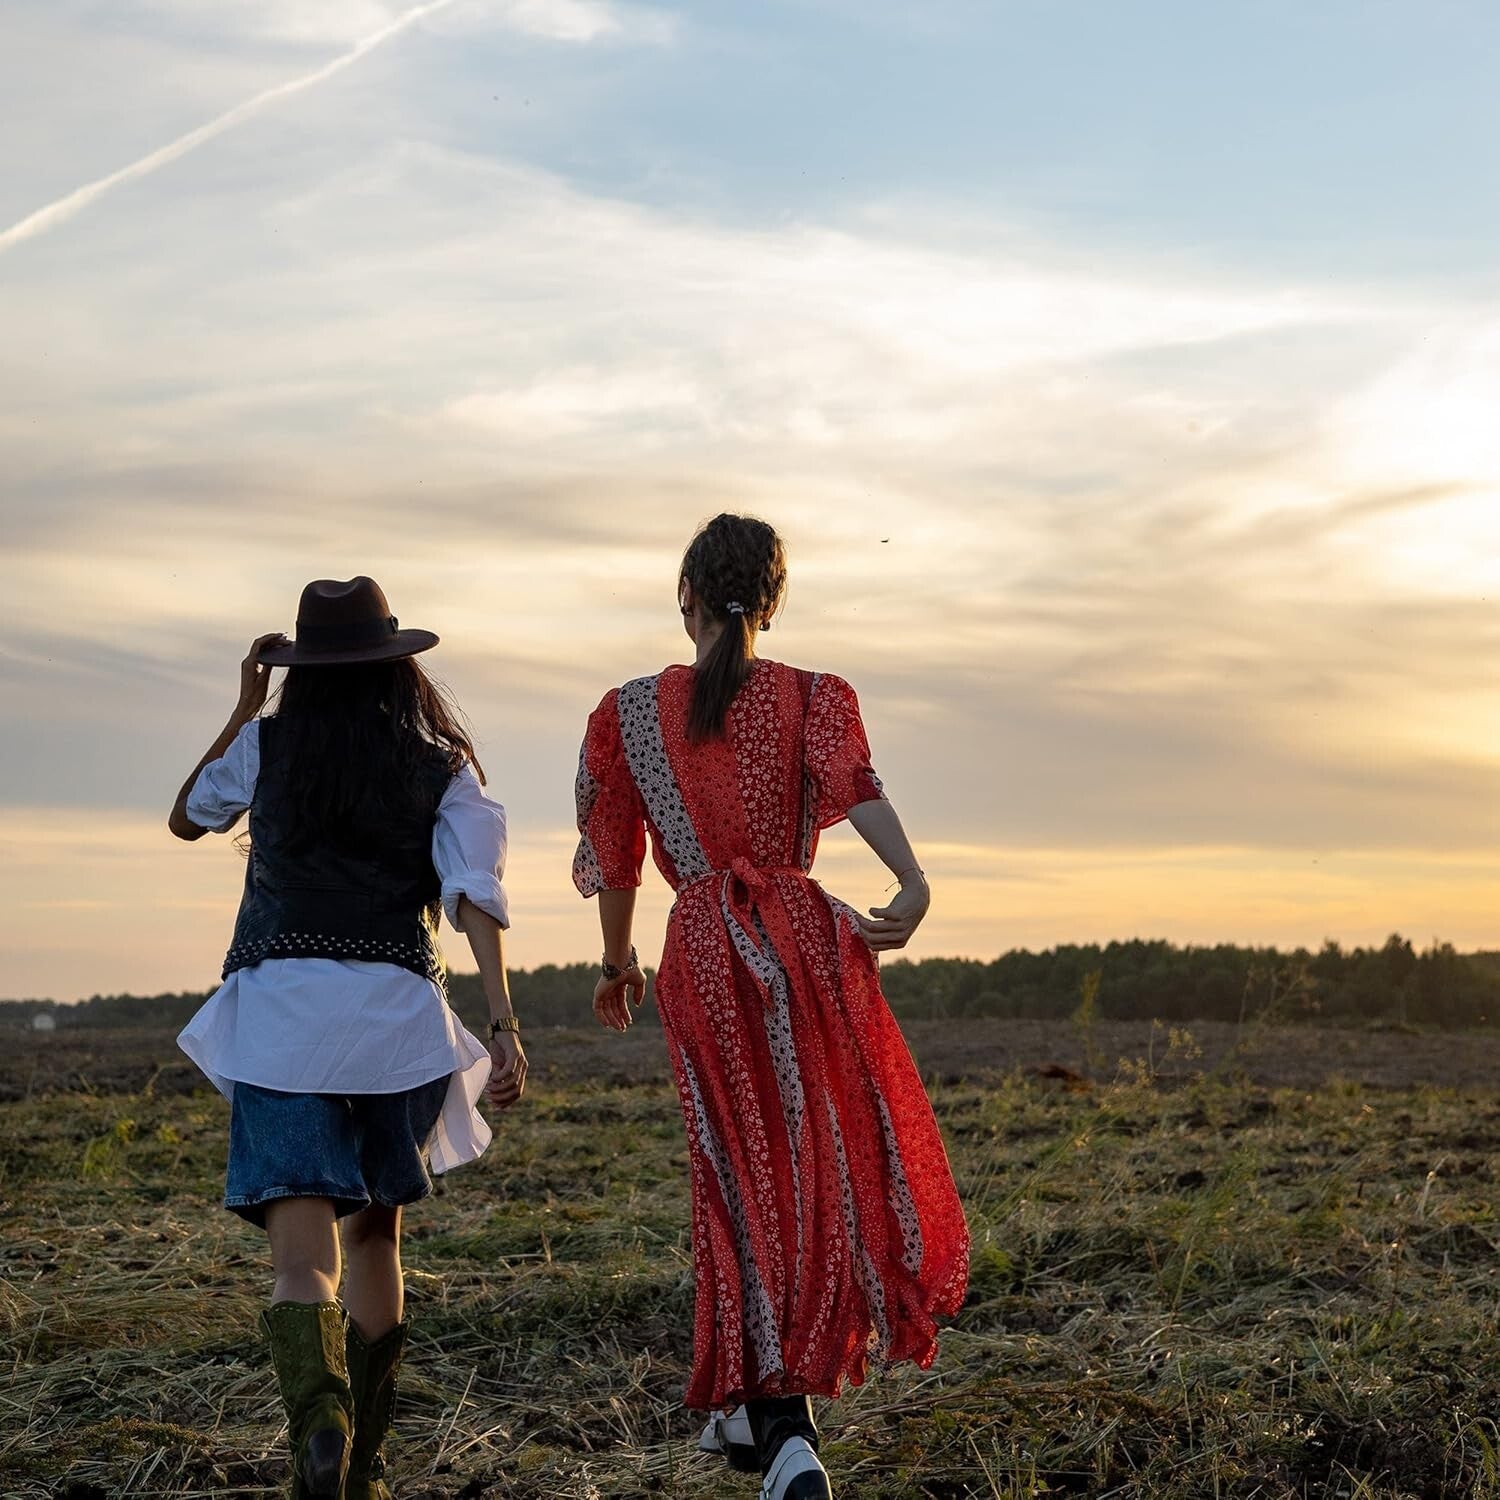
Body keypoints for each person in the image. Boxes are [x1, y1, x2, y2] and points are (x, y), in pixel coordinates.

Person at [573, 515, 969, 1500]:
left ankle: (782, 1427)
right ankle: (751, 1405)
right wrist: (912, 880)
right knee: (804, 1163)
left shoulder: (628, 714)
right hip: (802, 933)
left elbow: (616, 849)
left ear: (687, 600)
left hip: (704, 941)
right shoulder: (814, 697)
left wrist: (618, 960)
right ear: (774, 600)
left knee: (736, 1170)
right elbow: (855, 786)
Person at [169, 577, 526, 1500]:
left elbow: (186, 817)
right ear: (398, 668)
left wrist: (247, 706)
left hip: (282, 1024)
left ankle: (319, 1427)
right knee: (375, 1244)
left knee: (301, 1262)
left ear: (300, 669)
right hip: (394, 1030)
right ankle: (361, 1463)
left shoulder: (265, 745)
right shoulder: (442, 767)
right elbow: (473, 895)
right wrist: (502, 1023)